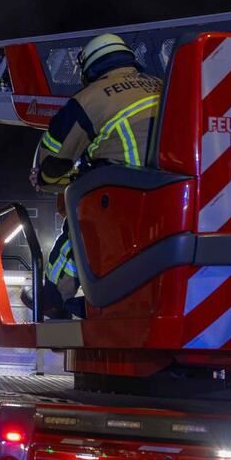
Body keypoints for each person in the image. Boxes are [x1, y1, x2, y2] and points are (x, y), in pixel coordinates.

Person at [30, 33, 162, 319]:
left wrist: (44, 179)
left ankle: (54, 294)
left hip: (123, 192)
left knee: (78, 226)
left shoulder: (90, 98)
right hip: (170, 193)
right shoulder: (163, 86)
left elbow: (54, 156)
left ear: (89, 68)